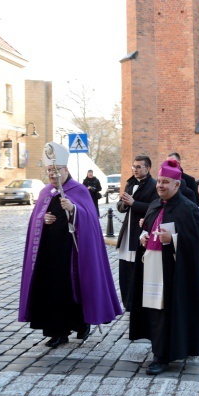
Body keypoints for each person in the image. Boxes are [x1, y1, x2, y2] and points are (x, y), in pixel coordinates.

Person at [19, 143, 122, 348]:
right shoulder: (45, 192)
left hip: (72, 254)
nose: (52, 174)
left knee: (73, 289)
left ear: (66, 170)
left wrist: (74, 209)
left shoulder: (79, 190)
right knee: (52, 291)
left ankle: (81, 324)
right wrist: (43, 218)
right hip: (49, 254)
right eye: (49, 170)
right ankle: (57, 332)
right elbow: (36, 219)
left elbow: (91, 220)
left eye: (55, 170)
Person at [129, 159, 199, 375]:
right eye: (159, 181)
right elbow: (148, 230)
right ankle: (159, 347)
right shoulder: (154, 205)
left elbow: (195, 243)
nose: (160, 185)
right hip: (151, 267)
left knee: (166, 312)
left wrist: (174, 238)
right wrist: (143, 238)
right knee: (154, 311)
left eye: (165, 182)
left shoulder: (189, 209)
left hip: (173, 272)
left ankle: (162, 356)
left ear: (177, 185)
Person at [116, 156, 158, 310]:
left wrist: (134, 203)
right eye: (134, 166)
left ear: (148, 168)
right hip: (127, 231)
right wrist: (124, 205)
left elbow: (154, 207)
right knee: (124, 270)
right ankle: (127, 303)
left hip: (140, 231)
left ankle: (137, 303)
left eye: (139, 167)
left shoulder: (153, 185)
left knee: (137, 269)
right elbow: (120, 205)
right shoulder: (129, 183)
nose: (135, 169)